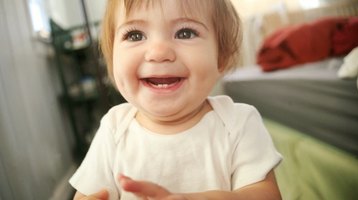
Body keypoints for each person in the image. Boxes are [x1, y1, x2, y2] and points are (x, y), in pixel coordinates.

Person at [69, 0, 283, 199]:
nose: (159, 52)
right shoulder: (114, 129)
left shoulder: (237, 123)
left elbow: (267, 195)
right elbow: (87, 195)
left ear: (221, 57)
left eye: (185, 32)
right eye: (135, 35)